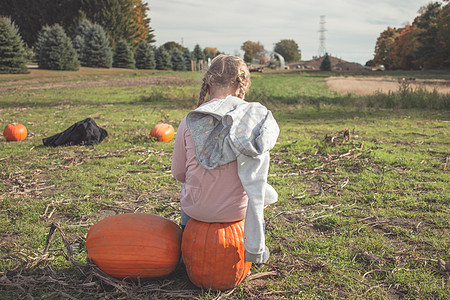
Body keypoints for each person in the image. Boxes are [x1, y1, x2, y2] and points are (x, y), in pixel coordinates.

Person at [171, 54, 279, 265]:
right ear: (243, 86)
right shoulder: (254, 120)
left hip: (197, 209)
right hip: (237, 211)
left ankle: (186, 252)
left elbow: (179, 173)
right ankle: (256, 248)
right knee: (257, 191)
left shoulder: (190, 120)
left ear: (208, 85)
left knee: (188, 187)